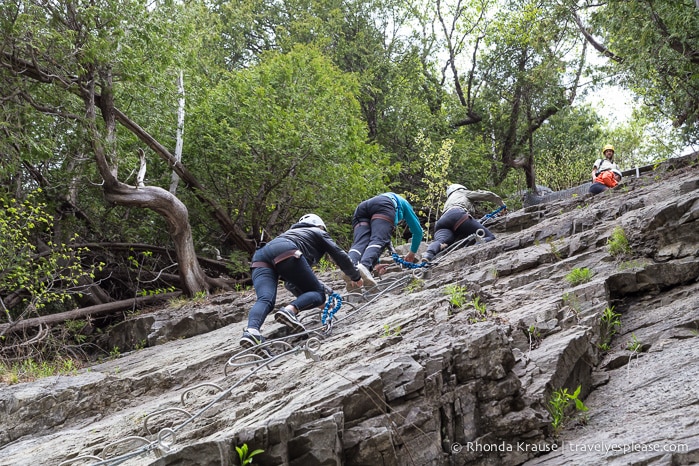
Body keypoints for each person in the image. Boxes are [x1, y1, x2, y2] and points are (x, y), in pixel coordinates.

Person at [240, 214, 363, 348]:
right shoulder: (317, 231)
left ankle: (252, 331)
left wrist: (316, 302)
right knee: (318, 292)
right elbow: (340, 255)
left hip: (260, 256)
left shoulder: (289, 234)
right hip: (285, 250)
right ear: (320, 226)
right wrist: (355, 276)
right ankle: (289, 311)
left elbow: (291, 283)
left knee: (265, 299)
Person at [346, 192, 424, 287]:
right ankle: (364, 268)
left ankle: (349, 267)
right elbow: (418, 231)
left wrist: (376, 263)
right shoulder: (404, 203)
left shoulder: (382, 199)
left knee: (359, 243)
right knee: (379, 240)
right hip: (383, 205)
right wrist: (412, 253)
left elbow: (373, 242)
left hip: (361, 208)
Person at [421, 184, 505, 262]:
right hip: (458, 215)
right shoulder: (461, 192)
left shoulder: (448, 202)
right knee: (489, 236)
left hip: (441, 222)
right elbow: (487, 195)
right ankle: (476, 248)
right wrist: (501, 204)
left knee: (441, 241)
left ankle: (428, 254)